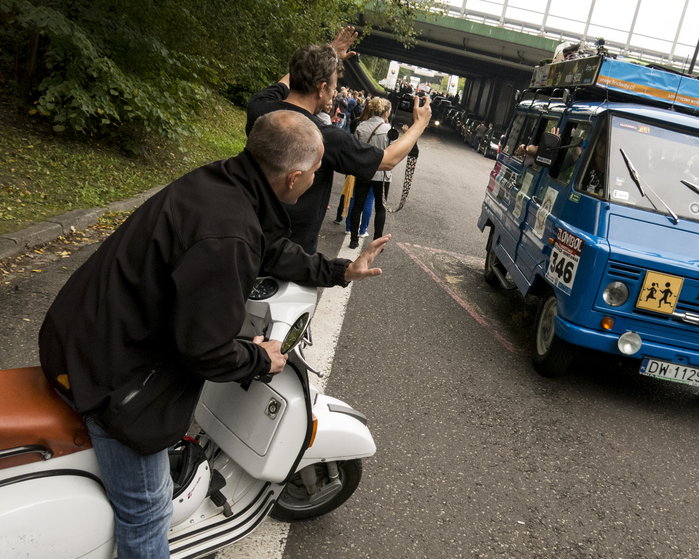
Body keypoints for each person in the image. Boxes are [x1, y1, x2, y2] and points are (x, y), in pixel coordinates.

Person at [38, 111, 389, 558]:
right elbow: (206, 352)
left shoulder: (227, 183)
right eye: (318, 173)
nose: (318, 179)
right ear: (294, 177)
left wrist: (340, 270)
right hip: (108, 375)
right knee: (147, 509)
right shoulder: (229, 234)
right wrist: (263, 359)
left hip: (85, 332)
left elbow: (270, 247)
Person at [246, 26, 431, 253]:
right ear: (322, 88)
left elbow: (286, 81)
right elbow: (388, 159)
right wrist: (419, 124)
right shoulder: (324, 138)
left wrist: (327, 55)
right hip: (293, 255)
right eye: (335, 86)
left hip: (246, 236)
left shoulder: (260, 108)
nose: (335, 92)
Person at [348, 97, 395, 249]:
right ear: (386, 112)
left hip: (363, 172)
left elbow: (354, 149)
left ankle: (353, 239)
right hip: (382, 174)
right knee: (380, 208)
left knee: (358, 205)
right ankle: (377, 242)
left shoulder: (361, 126)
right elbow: (393, 152)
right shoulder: (389, 130)